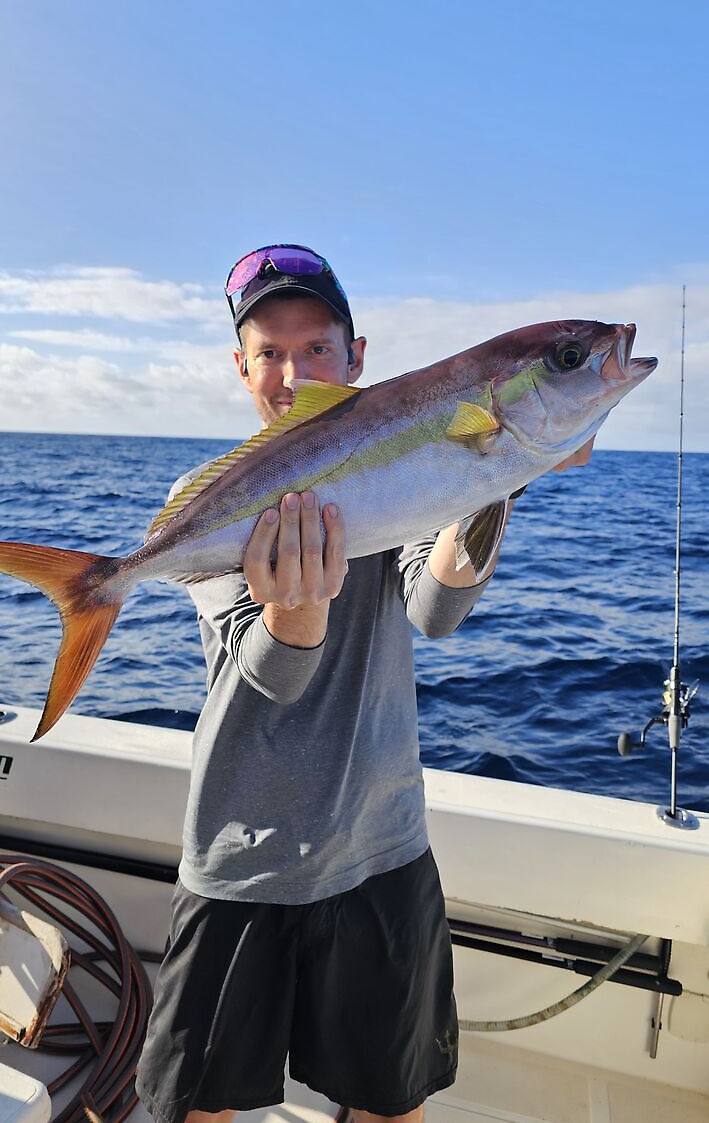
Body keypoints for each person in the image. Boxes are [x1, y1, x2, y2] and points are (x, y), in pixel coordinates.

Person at [136, 244, 593, 1123]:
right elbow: (269, 676)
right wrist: (296, 608)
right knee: (192, 1108)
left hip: (381, 844)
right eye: (269, 352)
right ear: (240, 367)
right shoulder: (215, 493)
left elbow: (435, 609)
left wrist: (500, 476)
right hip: (242, 853)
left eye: (316, 347)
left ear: (356, 357)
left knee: (391, 1105)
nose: (293, 372)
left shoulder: (407, 466)